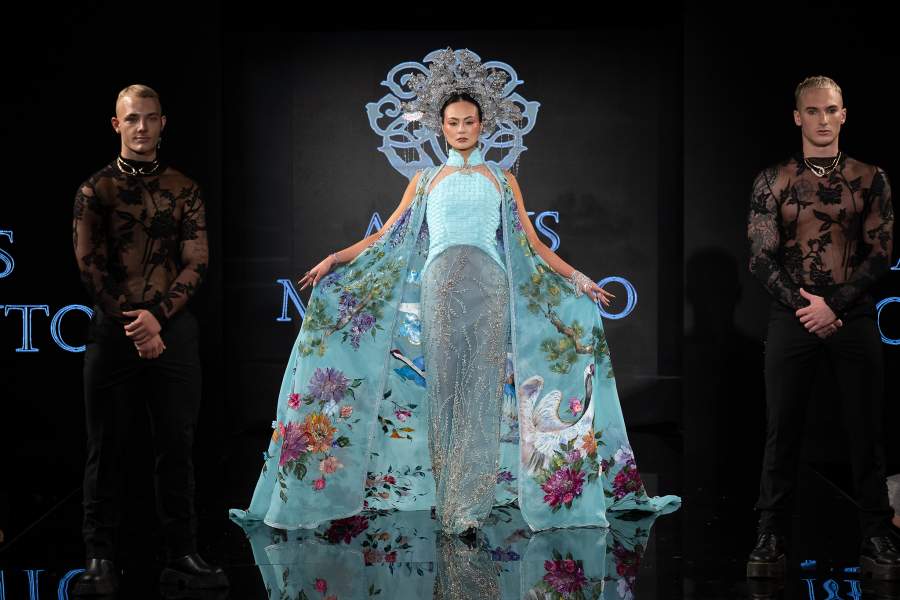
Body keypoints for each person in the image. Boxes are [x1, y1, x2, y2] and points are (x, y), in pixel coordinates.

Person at [230, 48, 679, 542]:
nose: (461, 129)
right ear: (440, 127)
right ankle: (451, 503)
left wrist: (580, 280)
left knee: (482, 395)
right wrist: (336, 257)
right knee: (444, 393)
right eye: (452, 122)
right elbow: (387, 236)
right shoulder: (425, 180)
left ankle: (472, 505)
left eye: (468, 122)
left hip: (490, 289)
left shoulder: (502, 179)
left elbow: (531, 244)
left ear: (482, 126)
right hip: (438, 291)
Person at [71, 84, 227, 594]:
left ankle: (182, 551)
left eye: (151, 118)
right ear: (116, 125)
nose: (142, 127)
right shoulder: (95, 189)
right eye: (132, 119)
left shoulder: (184, 187)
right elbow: (91, 268)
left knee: (177, 447)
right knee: (105, 446)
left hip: (173, 331)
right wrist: (136, 326)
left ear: (163, 124)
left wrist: (157, 319)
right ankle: (99, 557)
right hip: (113, 334)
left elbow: (196, 260)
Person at [746, 75, 898, 580]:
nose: (823, 120)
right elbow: (761, 259)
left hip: (851, 315)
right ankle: (771, 532)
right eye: (813, 111)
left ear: (844, 114)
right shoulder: (773, 179)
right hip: (793, 315)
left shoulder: (871, 177)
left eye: (831, 110)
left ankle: (877, 532)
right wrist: (807, 306)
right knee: (781, 429)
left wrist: (835, 305)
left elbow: (881, 255)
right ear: (797, 116)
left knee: (865, 428)